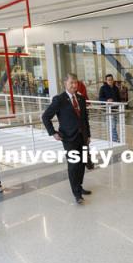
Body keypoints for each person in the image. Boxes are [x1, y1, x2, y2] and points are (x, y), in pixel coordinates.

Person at [42, 73, 92, 204]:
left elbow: (85, 119)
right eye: (71, 83)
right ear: (65, 84)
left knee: (82, 164)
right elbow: (45, 117)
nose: (74, 85)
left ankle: (79, 187)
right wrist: (53, 132)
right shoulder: (59, 99)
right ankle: (76, 193)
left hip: (82, 137)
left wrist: (88, 135)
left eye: (76, 83)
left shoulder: (81, 99)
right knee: (74, 165)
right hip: (69, 138)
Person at [99, 74, 121, 142]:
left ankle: (114, 138)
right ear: (106, 80)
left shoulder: (116, 88)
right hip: (107, 109)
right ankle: (115, 139)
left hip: (115, 109)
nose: (110, 81)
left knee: (113, 124)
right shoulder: (103, 88)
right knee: (113, 124)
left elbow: (118, 98)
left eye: (111, 80)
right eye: (108, 80)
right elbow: (100, 98)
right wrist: (107, 100)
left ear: (113, 80)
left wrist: (118, 105)